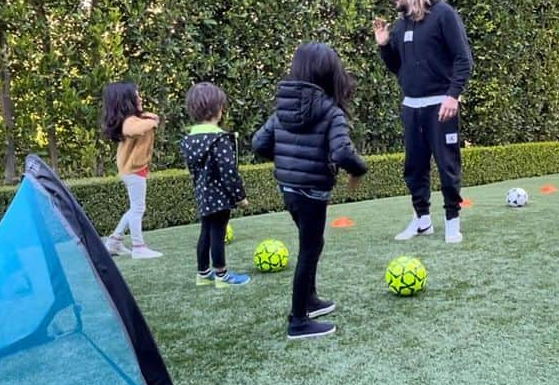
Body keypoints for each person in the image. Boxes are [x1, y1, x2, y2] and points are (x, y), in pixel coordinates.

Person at [252, 43, 368, 340]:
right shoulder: (331, 112)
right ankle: (299, 321)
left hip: (288, 189)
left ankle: (310, 300)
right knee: (309, 249)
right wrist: (359, 169)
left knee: (312, 245)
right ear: (331, 74)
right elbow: (342, 153)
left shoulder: (283, 109)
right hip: (313, 193)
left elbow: (259, 144)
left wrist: (289, 164)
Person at [373, 0, 473, 244]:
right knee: (414, 167)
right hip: (411, 107)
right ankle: (422, 222)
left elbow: (464, 60)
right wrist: (384, 46)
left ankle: (452, 222)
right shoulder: (402, 23)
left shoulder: (444, 15)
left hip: (441, 105)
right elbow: (398, 67)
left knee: (447, 165)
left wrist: (453, 95)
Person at [180, 81, 251, 287]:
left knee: (206, 232)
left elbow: (193, 170)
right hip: (220, 197)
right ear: (218, 109)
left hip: (203, 194)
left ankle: (203, 273)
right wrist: (240, 197)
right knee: (218, 233)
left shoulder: (189, 140)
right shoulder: (220, 139)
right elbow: (229, 171)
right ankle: (222, 275)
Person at [101, 81, 163, 259]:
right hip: (133, 170)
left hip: (134, 169)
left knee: (135, 208)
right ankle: (138, 246)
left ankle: (114, 241)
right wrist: (151, 122)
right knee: (138, 208)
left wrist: (149, 118)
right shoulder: (130, 121)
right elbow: (131, 130)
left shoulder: (136, 118)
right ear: (127, 101)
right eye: (137, 96)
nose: (141, 98)